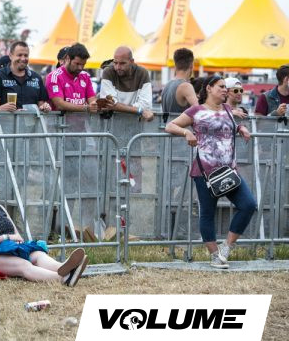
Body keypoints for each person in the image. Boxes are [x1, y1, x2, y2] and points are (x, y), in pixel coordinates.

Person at [165, 75, 257, 268]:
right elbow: (170, 125)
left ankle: (227, 246)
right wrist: (186, 132)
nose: (225, 90)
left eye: (225, 87)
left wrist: (241, 128)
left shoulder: (227, 109)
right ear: (209, 88)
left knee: (249, 205)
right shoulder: (196, 110)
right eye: (221, 86)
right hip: (205, 172)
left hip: (229, 171)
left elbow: (229, 124)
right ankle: (215, 255)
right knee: (207, 213)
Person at [0, 173, 88, 285]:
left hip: (8, 248)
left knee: (38, 255)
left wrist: (16, 241)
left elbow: (16, 233)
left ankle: (64, 267)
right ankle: (64, 278)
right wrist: (5, 237)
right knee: (23, 264)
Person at [0, 41, 51, 112]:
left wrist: (45, 107)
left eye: (26, 55)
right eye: (19, 55)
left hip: (31, 119)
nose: (23, 58)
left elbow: (41, 105)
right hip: (6, 119)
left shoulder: (36, 77)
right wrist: (2, 109)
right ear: (10, 56)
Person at [99, 46, 154, 121]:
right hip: (112, 123)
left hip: (135, 124)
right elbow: (109, 104)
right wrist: (139, 110)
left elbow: (146, 106)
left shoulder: (142, 73)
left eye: (122, 63)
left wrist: (118, 107)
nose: (118, 67)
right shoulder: (108, 72)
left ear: (132, 61)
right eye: (115, 63)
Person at [46, 43, 100, 113]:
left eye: (83, 64)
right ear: (68, 59)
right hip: (60, 120)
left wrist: (102, 105)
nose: (80, 68)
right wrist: (86, 108)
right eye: (77, 64)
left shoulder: (85, 76)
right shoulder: (54, 76)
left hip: (81, 120)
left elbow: (92, 101)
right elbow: (59, 105)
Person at [161, 48, 198, 115]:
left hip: (167, 122)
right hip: (180, 122)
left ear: (175, 65)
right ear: (191, 66)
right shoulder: (185, 86)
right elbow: (199, 111)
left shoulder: (167, 85)